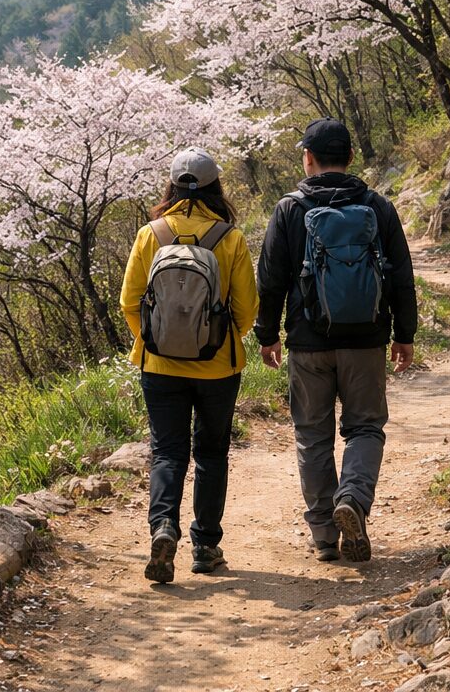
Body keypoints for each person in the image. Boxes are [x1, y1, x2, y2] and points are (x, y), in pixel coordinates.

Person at [255, 118, 418, 563]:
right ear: (349, 157)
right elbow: (402, 277)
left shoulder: (289, 209)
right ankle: (354, 500)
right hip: (366, 339)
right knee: (365, 427)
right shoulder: (378, 206)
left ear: (308, 157)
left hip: (308, 343)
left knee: (312, 436)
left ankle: (326, 536)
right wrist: (404, 335)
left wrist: (267, 334)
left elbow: (269, 280)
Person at [120, 148, 259, 584]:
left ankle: (163, 527)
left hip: (159, 366)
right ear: (216, 186)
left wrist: (155, 341)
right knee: (212, 452)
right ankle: (205, 545)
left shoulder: (151, 234)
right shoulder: (229, 238)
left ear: (171, 187)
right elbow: (247, 309)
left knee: (167, 451)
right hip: (218, 367)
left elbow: (129, 302)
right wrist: (221, 339)